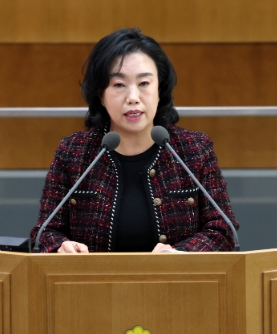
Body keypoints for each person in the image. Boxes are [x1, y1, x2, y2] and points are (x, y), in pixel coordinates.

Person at [30, 27, 239, 253]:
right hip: (94, 277)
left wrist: (181, 254)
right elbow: (45, 233)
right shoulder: (74, 153)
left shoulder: (193, 150)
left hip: (176, 276)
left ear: (160, 89)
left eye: (144, 83)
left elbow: (223, 231)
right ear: (101, 94)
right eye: (119, 85)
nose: (133, 98)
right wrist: (60, 247)